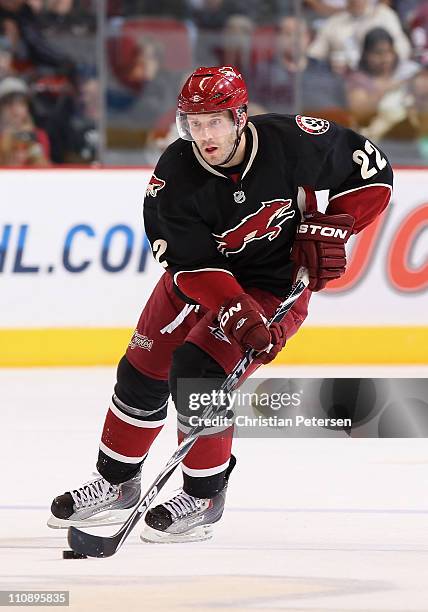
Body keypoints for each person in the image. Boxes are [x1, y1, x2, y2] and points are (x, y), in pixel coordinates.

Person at [48, 66, 393, 544]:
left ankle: (204, 496)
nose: (203, 134)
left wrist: (338, 222)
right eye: (193, 122)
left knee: (199, 372)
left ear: (240, 117)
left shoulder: (294, 141)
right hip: (202, 280)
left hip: (273, 282)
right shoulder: (173, 176)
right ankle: (117, 482)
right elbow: (190, 268)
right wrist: (234, 310)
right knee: (140, 371)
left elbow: (374, 173)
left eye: (215, 121)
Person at [308, 0, 411, 74]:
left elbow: (403, 49)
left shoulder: (384, 15)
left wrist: (385, 61)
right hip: (343, 80)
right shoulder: (334, 22)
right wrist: (329, 64)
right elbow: (314, 55)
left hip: (380, 76)